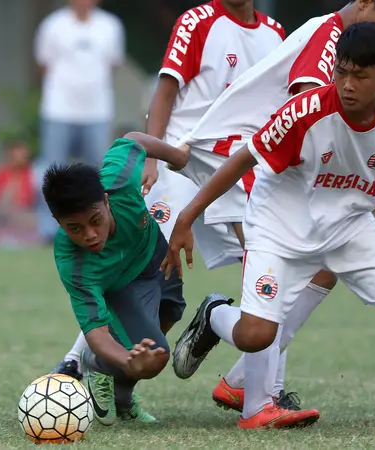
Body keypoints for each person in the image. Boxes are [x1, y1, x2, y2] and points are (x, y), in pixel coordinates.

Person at [165, 22, 375, 439]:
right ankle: (215, 316)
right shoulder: (307, 111)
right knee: (256, 335)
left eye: (360, 75)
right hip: (278, 225)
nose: (347, 84)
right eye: (342, 71)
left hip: (350, 225)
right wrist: (188, 214)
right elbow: (245, 158)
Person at [51, 0, 310, 417]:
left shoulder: (277, 33)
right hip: (181, 162)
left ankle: (256, 381)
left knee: (265, 268)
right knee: (139, 266)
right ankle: (75, 363)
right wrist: (155, 161)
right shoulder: (198, 20)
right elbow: (167, 89)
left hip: (239, 167)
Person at [44, 132, 189, 426]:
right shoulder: (73, 262)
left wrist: (177, 157)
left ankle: (123, 403)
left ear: (107, 201)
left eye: (95, 220)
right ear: (58, 223)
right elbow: (96, 333)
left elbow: (134, 140)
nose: (90, 235)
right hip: (120, 288)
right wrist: (126, 361)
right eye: (75, 229)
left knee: (172, 311)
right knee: (153, 356)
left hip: (154, 255)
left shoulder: (119, 181)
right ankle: (96, 365)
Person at [33, 0, 126, 243]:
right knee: (52, 171)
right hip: (58, 109)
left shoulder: (110, 26)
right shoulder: (53, 25)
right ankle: (49, 230)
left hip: (97, 111)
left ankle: (99, 226)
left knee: (98, 173)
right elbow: (44, 64)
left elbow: (114, 65)